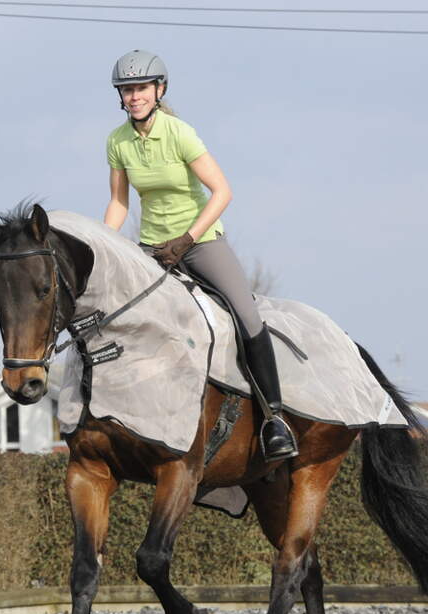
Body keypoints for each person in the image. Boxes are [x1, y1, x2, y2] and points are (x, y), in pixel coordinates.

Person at [102, 49, 296, 462]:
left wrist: (188, 240)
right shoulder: (117, 142)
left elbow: (222, 191)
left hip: (201, 243)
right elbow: (119, 204)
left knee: (246, 314)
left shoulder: (180, 133)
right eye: (127, 90)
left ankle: (274, 419)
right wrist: (104, 244)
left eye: (140, 88)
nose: (134, 96)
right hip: (152, 248)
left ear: (159, 90)